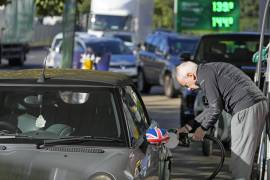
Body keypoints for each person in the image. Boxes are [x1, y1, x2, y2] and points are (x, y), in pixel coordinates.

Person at [176, 61, 268, 179]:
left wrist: (203, 129)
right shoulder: (209, 70)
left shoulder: (204, 76)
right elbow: (212, 108)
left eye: (186, 85)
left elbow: (215, 108)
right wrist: (189, 126)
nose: (189, 89)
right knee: (244, 159)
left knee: (240, 163)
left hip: (246, 109)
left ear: (191, 76)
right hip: (258, 104)